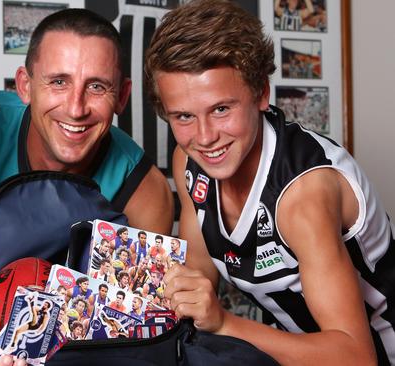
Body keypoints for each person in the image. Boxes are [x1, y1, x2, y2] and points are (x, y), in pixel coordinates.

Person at [144, 0, 395, 364]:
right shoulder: (190, 160)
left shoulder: (302, 197)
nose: (205, 137)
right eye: (184, 116)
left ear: (262, 93)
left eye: (221, 109)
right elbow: (197, 272)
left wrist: (224, 322)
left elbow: (356, 356)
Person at [0, 8, 174, 290]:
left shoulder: (144, 192)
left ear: (121, 96)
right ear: (25, 85)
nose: (75, 109)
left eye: (96, 86)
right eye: (59, 82)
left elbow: (125, 317)